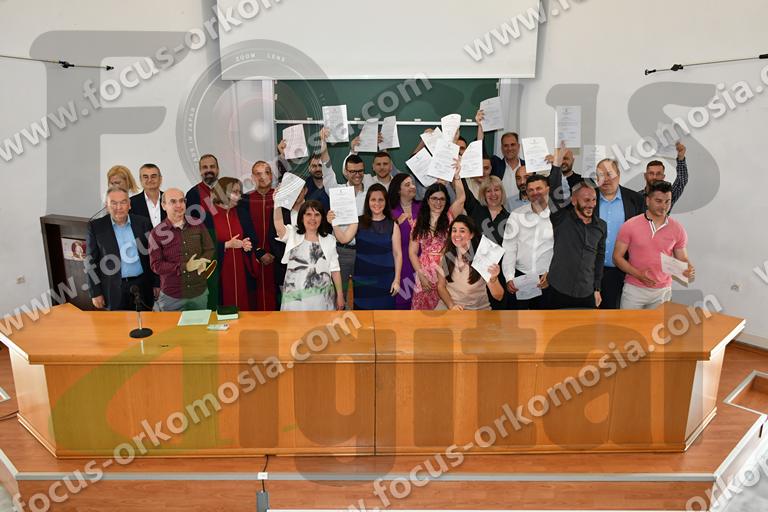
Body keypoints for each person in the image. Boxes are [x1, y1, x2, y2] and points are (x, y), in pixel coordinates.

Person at [613, 181, 694, 309]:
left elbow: (682, 258)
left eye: (667, 201)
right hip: (634, 289)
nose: (664, 206)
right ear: (647, 200)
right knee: (628, 323)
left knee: (658, 323)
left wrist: (688, 268)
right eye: (658, 201)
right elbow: (617, 257)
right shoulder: (630, 225)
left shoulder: (678, 229)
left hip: (663, 291)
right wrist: (638, 275)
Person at [329, 184, 402, 310]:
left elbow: (397, 254)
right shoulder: (358, 222)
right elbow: (343, 239)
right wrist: (334, 223)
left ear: (386, 202)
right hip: (362, 279)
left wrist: (397, 279)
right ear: (368, 202)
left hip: (386, 279)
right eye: (373, 199)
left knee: (385, 317)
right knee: (362, 317)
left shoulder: (393, 225)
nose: (377, 203)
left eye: (381, 200)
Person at [85, 187, 155, 311]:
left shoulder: (143, 223)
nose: (119, 207)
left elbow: (153, 255)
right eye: (114, 203)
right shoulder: (96, 227)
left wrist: (156, 283)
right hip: (113, 290)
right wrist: (95, 293)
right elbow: (90, 262)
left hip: (142, 287)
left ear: (129, 204)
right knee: (116, 323)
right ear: (106, 206)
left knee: (146, 321)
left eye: (123, 202)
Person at [148, 188, 215, 311]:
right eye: (173, 201)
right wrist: (185, 267)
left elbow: (209, 248)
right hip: (172, 297)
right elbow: (156, 265)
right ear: (163, 206)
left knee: (200, 324)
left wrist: (202, 261)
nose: (179, 205)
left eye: (181, 201)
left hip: (198, 292)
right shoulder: (156, 233)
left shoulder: (197, 223)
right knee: (171, 325)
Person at [544, 182, 607, 309]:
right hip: (558, 291)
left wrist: (597, 288)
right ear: (573, 201)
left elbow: (599, 258)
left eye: (594, 200)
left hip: (587, 293)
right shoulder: (561, 219)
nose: (591, 204)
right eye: (586, 200)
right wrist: (556, 169)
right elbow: (554, 195)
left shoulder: (601, 226)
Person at [273, 199, 344, 311]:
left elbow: (335, 270)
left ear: (322, 218)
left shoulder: (329, 240)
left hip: (322, 299)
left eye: (317, 215)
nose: (313, 218)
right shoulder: (292, 234)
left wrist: (340, 295)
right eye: (308, 214)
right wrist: (277, 204)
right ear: (302, 217)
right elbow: (278, 226)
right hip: (295, 298)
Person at [593, 158, 645, 309]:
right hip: (591, 272)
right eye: (600, 175)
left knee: (618, 316)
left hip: (624, 272)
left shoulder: (635, 200)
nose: (605, 179)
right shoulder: (588, 198)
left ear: (618, 175)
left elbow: (644, 235)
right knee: (591, 317)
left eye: (609, 174)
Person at [210, 177, 265, 311]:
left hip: (242, 272)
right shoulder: (208, 216)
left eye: (239, 192)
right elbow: (202, 247)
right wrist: (226, 245)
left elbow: (251, 238)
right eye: (235, 192)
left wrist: (247, 245)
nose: (239, 196)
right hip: (219, 275)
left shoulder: (241, 213)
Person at [409, 180, 464, 310]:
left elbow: (461, 198)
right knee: (422, 311)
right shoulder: (418, 222)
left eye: (442, 199)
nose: (438, 202)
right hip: (424, 271)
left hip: (446, 267)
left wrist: (457, 177)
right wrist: (421, 275)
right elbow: (412, 252)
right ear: (428, 200)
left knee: (446, 308)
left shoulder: (450, 217)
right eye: (434, 198)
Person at [502, 174, 554, 309]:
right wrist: (509, 277)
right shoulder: (516, 215)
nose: (535, 192)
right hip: (520, 279)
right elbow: (509, 248)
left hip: (547, 279)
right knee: (519, 320)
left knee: (546, 320)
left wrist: (552, 274)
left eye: (539, 188)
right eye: (531, 190)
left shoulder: (558, 216)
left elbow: (562, 249)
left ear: (548, 189)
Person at [437, 216, 504, 310]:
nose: (457, 234)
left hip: (477, 310)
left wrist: (493, 279)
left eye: (462, 231)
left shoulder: (482, 257)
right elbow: (441, 286)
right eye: (454, 230)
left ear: (471, 235)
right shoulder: (446, 256)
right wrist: (451, 306)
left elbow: (499, 296)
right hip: (449, 307)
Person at [242, 160, 279, 311]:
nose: (263, 177)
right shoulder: (244, 200)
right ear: (252, 178)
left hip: (277, 259)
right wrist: (258, 252)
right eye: (258, 174)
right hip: (252, 258)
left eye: (267, 172)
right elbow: (243, 230)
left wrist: (275, 253)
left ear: (272, 176)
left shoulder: (280, 197)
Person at [388, 173, 421, 309]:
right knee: (402, 302)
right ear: (398, 190)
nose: (412, 186)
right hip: (401, 263)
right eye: (407, 185)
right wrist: (396, 223)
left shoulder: (423, 208)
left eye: (412, 183)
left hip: (421, 262)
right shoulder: (390, 212)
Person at [639, 142, 689, 207]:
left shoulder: (668, 195)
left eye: (658, 174)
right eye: (651, 173)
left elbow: (681, 181)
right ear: (645, 176)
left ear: (663, 177)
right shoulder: (636, 197)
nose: (654, 177)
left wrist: (681, 158)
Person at [185, 153, 220, 229]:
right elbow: (190, 224)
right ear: (200, 171)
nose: (209, 170)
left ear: (218, 169)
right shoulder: (192, 195)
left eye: (212, 166)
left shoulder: (228, 191)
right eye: (205, 167)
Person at [130, 163, 166, 228]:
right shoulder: (131, 203)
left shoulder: (170, 200)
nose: (150, 180)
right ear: (140, 180)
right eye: (145, 177)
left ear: (160, 179)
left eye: (153, 176)